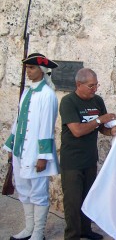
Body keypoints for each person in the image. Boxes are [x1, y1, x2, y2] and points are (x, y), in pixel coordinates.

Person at [3, 53, 59, 240]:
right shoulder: (27, 91)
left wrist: (43, 156)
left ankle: (38, 233)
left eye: (32, 68)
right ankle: (28, 229)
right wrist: (11, 148)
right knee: (24, 190)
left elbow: (46, 126)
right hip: (21, 151)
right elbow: (18, 121)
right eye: (27, 68)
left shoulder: (47, 95)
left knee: (38, 193)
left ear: (42, 70)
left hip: (36, 154)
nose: (28, 71)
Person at [59, 68, 116, 240]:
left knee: (88, 198)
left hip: (90, 159)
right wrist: (101, 119)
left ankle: (86, 230)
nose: (95, 89)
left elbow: (101, 128)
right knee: (73, 202)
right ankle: (72, 236)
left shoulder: (97, 101)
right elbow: (77, 130)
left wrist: (112, 131)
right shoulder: (68, 102)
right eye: (91, 86)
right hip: (72, 162)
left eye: (96, 85)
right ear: (79, 85)